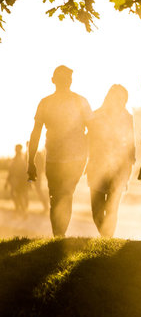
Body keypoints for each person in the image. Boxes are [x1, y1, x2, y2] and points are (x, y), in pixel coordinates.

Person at [28, 65, 92, 237]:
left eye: (67, 78)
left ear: (70, 81)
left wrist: (90, 156)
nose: (66, 81)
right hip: (54, 158)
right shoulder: (46, 102)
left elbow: (93, 130)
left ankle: (58, 235)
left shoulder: (79, 101)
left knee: (63, 195)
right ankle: (58, 235)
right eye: (63, 78)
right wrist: (30, 161)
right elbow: (36, 132)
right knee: (58, 196)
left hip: (75, 158)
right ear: (53, 80)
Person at [86, 84, 135, 237]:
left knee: (112, 207)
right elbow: (88, 139)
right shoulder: (96, 115)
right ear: (109, 97)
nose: (119, 101)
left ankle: (107, 239)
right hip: (97, 166)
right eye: (116, 97)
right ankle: (105, 236)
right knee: (97, 210)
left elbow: (130, 142)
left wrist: (130, 164)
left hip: (119, 168)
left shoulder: (127, 117)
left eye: (122, 98)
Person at [5, 144, 29, 212]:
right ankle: (20, 209)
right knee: (16, 195)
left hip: (19, 180)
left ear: (19, 149)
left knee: (19, 195)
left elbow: (22, 170)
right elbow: (11, 171)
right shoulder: (16, 158)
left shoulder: (20, 158)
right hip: (15, 180)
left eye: (16, 148)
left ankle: (21, 210)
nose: (15, 150)